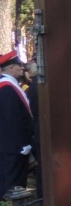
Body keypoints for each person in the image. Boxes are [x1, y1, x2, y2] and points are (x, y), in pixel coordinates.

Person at [0, 51, 33, 197]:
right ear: (10, 68)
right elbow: (12, 119)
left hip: (12, 145)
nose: (22, 68)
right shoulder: (7, 88)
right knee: (13, 186)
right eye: (19, 65)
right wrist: (22, 143)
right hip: (13, 147)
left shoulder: (10, 86)